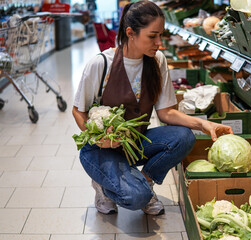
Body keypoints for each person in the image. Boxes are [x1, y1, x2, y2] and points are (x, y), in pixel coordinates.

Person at [72, 0, 233, 216]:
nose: (159, 42)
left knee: (184, 137)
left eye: (161, 35)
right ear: (130, 33)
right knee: (135, 198)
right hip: (101, 149)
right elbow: (78, 111)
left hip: (135, 143)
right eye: (152, 36)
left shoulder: (157, 61)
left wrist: (204, 124)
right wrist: (98, 138)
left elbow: (166, 112)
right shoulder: (102, 64)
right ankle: (104, 185)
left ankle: (145, 182)